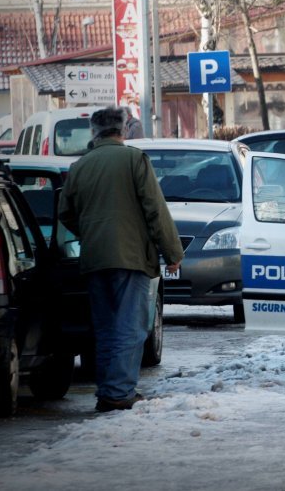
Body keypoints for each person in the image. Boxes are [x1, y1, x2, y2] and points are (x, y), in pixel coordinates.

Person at [58, 106, 183, 412]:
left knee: (105, 328)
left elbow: (65, 213)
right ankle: (118, 393)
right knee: (130, 326)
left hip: (95, 258)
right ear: (123, 129)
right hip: (131, 257)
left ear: (94, 132)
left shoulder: (80, 166)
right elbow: (155, 209)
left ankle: (108, 390)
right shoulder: (134, 160)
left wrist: (91, 232)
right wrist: (172, 252)